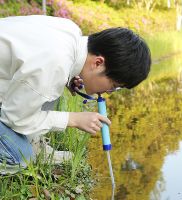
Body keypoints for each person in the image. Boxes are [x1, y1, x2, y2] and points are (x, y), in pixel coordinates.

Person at [0, 15, 151, 174]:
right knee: (19, 157)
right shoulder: (55, 63)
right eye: (113, 86)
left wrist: (69, 77)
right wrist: (73, 119)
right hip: (15, 113)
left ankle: (33, 143)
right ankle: (30, 150)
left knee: (53, 88)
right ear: (98, 63)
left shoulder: (70, 33)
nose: (109, 92)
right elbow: (16, 119)